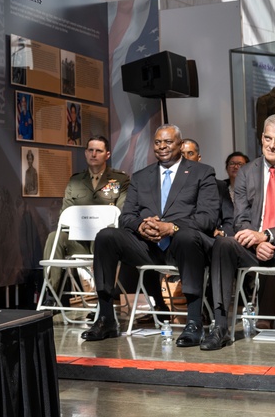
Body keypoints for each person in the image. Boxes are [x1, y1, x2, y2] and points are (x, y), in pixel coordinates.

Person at [81, 124, 220, 343]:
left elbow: (208, 217)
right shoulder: (140, 176)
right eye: (157, 142)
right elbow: (126, 217)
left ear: (180, 144)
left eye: (168, 142)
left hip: (183, 246)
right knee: (106, 236)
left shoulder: (202, 173)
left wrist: (171, 226)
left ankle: (194, 321)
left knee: (186, 236)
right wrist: (141, 226)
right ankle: (106, 317)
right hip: (148, 246)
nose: (162, 147)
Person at [202, 114, 275, 356]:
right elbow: (241, 218)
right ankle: (220, 326)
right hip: (254, 245)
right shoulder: (247, 171)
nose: (271, 145)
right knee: (223, 244)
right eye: (267, 138)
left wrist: (266, 236)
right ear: (261, 138)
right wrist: (255, 239)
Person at [41, 136, 144, 302]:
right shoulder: (75, 180)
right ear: (85, 153)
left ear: (107, 154)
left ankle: (103, 301)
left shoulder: (120, 179)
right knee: (54, 237)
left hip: (105, 241)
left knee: (104, 236)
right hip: (79, 240)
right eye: (90, 150)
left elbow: (122, 212)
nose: (94, 154)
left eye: (99, 151)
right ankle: (52, 295)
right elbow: (65, 213)